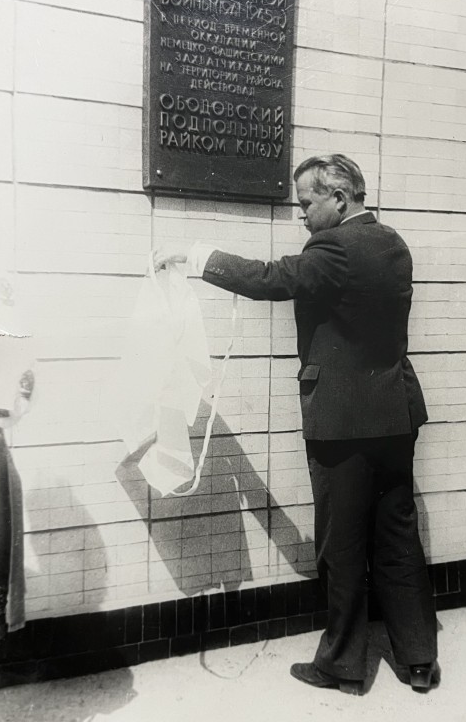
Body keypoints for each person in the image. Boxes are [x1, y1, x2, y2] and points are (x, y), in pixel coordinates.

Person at [154, 154, 439, 695]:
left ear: (339, 198)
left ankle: (342, 666)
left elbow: (271, 279)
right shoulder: (393, 243)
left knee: (343, 545)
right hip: (395, 415)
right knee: (398, 536)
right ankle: (420, 659)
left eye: (306, 203)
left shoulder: (334, 248)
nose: (300, 215)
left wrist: (194, 256)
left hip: (342, 423)